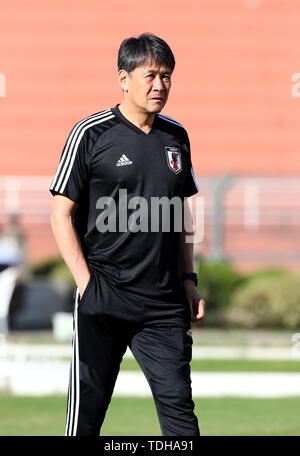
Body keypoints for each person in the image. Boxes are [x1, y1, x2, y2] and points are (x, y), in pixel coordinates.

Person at [49, 33, 205, 437]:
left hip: (164, 304)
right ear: (123, 78)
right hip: (105, 296)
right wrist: (86, 285)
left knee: (181, 420)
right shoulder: (91, 133)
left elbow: (181, 213)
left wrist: (188, 280)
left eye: (167, 76)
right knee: (85, 419)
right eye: (150, 75)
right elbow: (60, 214)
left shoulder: (177, 137)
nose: (159, 85)